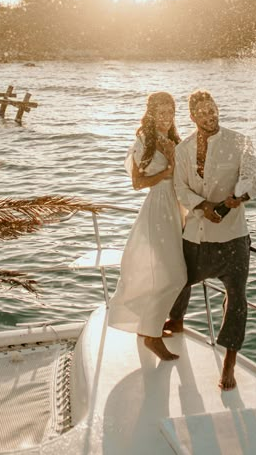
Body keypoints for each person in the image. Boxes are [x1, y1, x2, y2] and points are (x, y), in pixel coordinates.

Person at [164, 89, 256, 389]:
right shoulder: (183, 150)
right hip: (196, 235)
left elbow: (252, 177)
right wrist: (204, 207)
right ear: (193, 117)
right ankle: (176, 319)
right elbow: (180, 188)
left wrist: (238, 196)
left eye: (213, 109)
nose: (211, 115)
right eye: (204, 112)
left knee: (237, 301)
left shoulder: (240, 142)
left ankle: (229, 363)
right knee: (177, 278)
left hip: (233, 237)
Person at [108, 91, 187, 360]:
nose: (166, 118)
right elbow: (137, 183)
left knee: (167, 272)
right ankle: (151, 336)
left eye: (170, 113)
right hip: (159, 206)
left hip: (176, 206)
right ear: (151, 114)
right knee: (176, 274)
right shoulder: (144, 141)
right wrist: (167, 170)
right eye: (161, 113)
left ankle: (148, 327)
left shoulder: (174, 139)